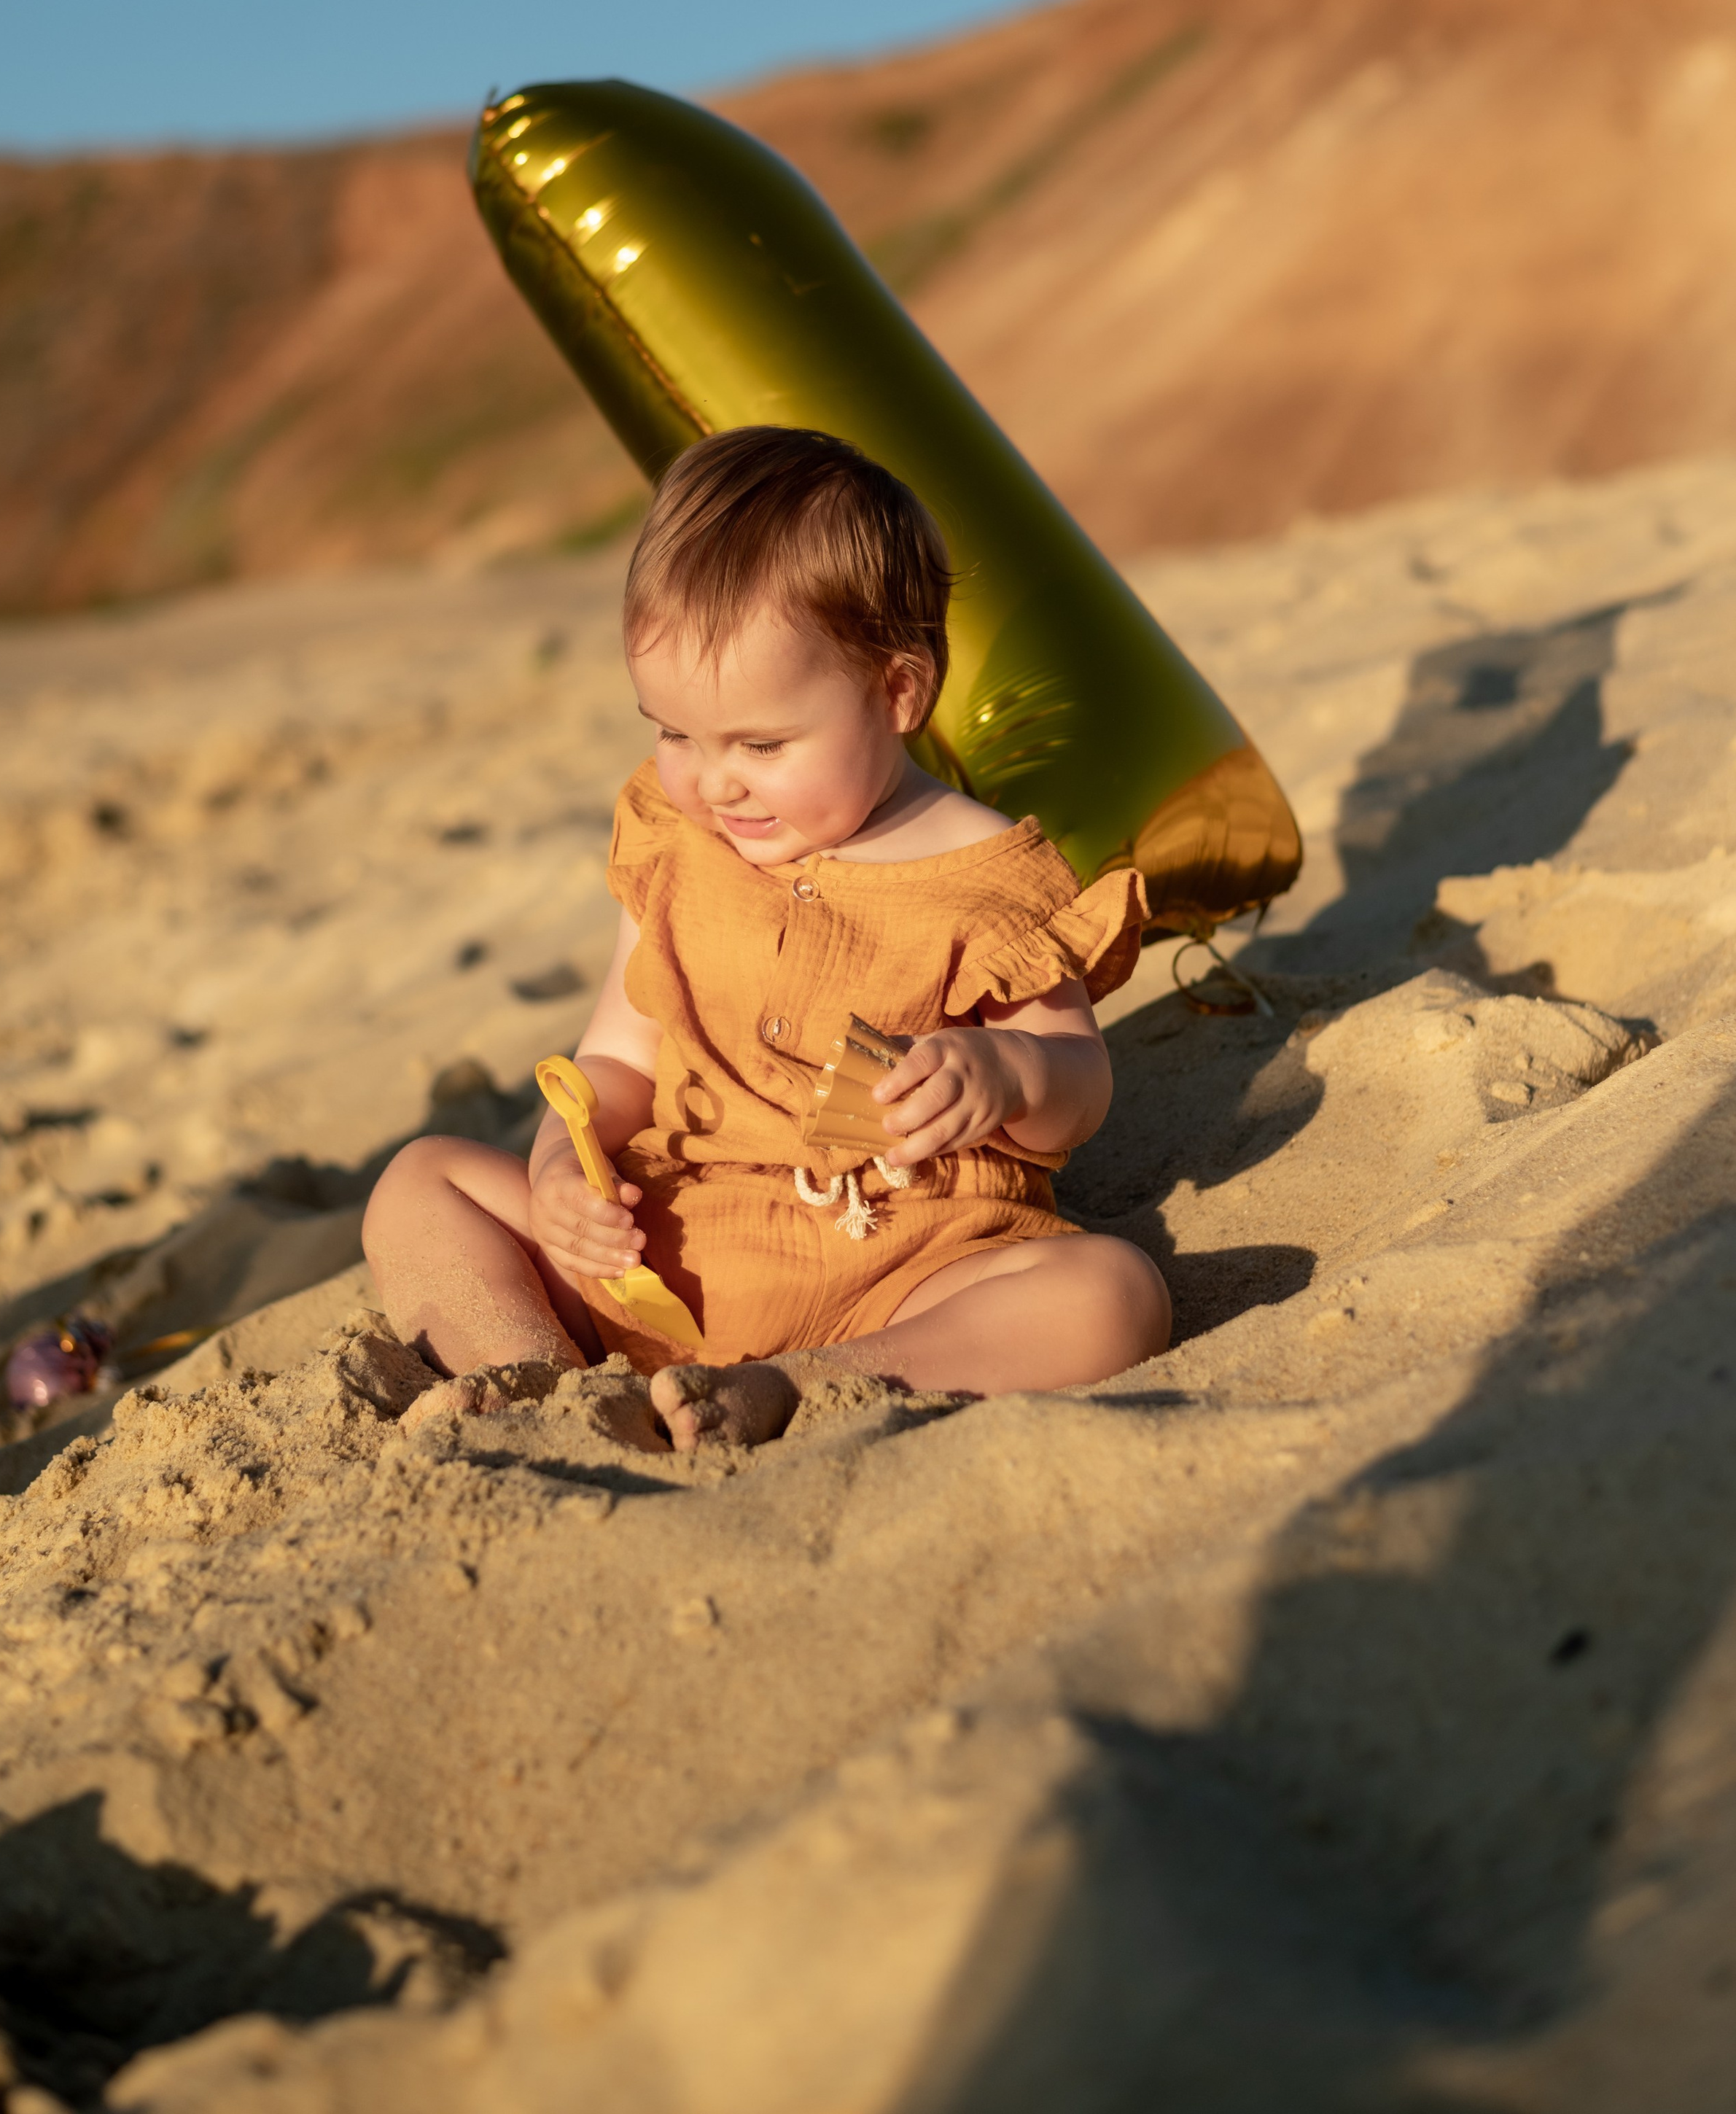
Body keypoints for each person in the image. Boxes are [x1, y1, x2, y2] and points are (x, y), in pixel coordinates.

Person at [363, 427, 1170, 1450]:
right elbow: (617, 1055)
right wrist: (561, 1170)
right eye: (673, 733)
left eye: (760, 744)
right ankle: (536, 1386)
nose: (714, 781)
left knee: (1112, 1295)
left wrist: (1005, 1073)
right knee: (421, 1181)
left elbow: (1078, 1092)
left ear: (897, 692)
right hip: (668, 1251)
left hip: (892, 1263)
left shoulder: (982, 876)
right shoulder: (677, 839)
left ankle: (810, 1386)